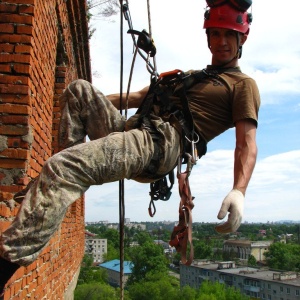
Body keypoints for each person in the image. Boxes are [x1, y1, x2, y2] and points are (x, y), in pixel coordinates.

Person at [0, 1, 260, 295]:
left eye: (228, 35)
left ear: (243, 39)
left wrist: (239, 189)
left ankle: (5, 264)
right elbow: (134, 97)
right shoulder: (187, 77)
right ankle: (61, 185)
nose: (221, 42)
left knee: (63, 168)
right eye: (214, 33)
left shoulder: (242, 85)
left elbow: (246, 142)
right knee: (79, 90)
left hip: (160, 143)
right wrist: (87, 103)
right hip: (134, 129)